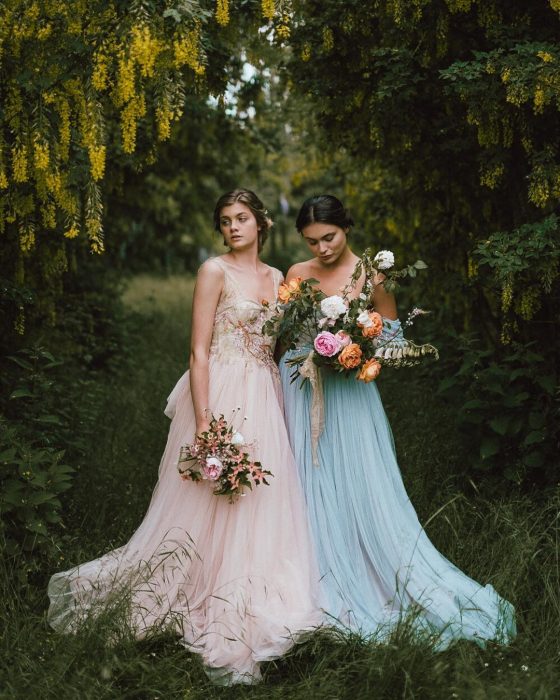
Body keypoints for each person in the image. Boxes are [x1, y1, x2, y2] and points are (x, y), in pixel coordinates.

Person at [48, 189, 323, 685]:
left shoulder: (279, 278)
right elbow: (198, 352)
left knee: (259, 496)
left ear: (261, 223)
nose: (233, 228)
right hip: (219, 390)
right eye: (224, 221)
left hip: (264, 393)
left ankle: (249, 585)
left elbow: (276, 345)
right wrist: (203, 426)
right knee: (206, 499)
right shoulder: (213, 272)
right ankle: (195, 585)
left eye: (241, 218)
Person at [279, 194, 516, 649]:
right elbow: (284, 332)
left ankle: (369, 570)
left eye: (328, 237)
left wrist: (355, 348)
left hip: (350, 395)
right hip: (303, 392)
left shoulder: (371, 275)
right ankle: (313, 576)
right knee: (309, 485)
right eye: (311, 242)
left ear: (346, 227)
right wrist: (309, 354)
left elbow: (390, 336)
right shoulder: (296, 275)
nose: (321, 249)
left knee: (360, 482)